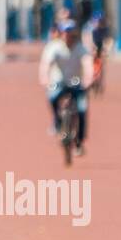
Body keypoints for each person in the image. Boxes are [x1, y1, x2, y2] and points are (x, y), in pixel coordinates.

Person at [38, 18, 93, 155]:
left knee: (82, 109)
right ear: (61, 34)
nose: (68, 36)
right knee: (52, 97)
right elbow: (45, 64)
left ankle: (79, 142)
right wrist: (44, 78)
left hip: (76, 82)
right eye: (65, 33)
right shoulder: (54, 47)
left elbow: (88, 65)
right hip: (58, 81)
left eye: (71, 33)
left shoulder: (81, 48)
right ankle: (57, 122)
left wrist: (88, 80)